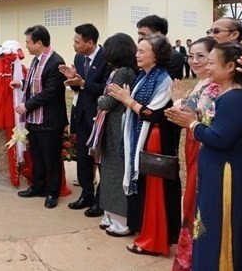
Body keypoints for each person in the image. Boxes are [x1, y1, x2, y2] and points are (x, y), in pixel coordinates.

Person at [166, 42, 242, 270]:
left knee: (219, 226)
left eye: (211, 62)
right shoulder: (226, 95)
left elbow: (220, 138)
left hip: (225, 175)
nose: (206, 67)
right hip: (215, 171)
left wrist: (191, 124)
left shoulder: (236, 98)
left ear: (230, 66)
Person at [107, 34, 181, 256]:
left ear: (156, 55)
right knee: (146, 190)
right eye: (137, 51)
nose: (137, 55)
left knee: (155, 192)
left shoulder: (163, 80)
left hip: (154, 140)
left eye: (142, 51)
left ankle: (154, 240)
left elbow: (153, 114)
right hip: (144, 139)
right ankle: (147, 235)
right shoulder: (144, 76)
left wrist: (127, 100)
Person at [166, 37, 218, 270]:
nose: (194, 61)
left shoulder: (216, 86)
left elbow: (203, 120)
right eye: (191, 56)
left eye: (201, 56)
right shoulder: (202, 83)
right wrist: (180, 103)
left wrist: (179, 103)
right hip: (192, 145)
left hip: (205, 148)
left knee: (198, 201)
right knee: (191, 200)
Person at [11, 25, 68, 209]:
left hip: (50, 120)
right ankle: (38, 186)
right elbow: (33, 82)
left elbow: (50, 92)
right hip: (35, 119)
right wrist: (20, 83)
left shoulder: (56, 62)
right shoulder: (37, 60)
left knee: (51, 158)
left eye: (28, 42)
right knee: (37, 156)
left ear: (39, 42)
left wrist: (26, 105)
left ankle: (52, 192)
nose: (26, 46)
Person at [58, 23, 108, 217]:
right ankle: (86, 194)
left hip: (99, 115)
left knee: (101, 159)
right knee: (83, 158)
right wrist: (74, 82)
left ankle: (100, 200)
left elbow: (106, 88)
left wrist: (83, 83)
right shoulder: (79, 58)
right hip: (81, 114)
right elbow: (80, 88)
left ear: (90, 42)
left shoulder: (106, 59)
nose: (74, 45)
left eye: (77, 42)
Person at [92, 33, 138, 236]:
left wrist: (100, 101)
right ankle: (111, 214)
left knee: (115, 171)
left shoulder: (122, 73)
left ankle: (121, 218)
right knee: (109, 170)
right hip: (112, 124)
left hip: (116, 126)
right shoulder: (120, 71)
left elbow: (107, 102)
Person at [136, 15, 183, 80]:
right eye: (139, 34)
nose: (139, 37)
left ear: (158, 34)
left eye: (143, 34)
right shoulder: (139, 54)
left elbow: (166, 84)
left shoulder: (174, 57)